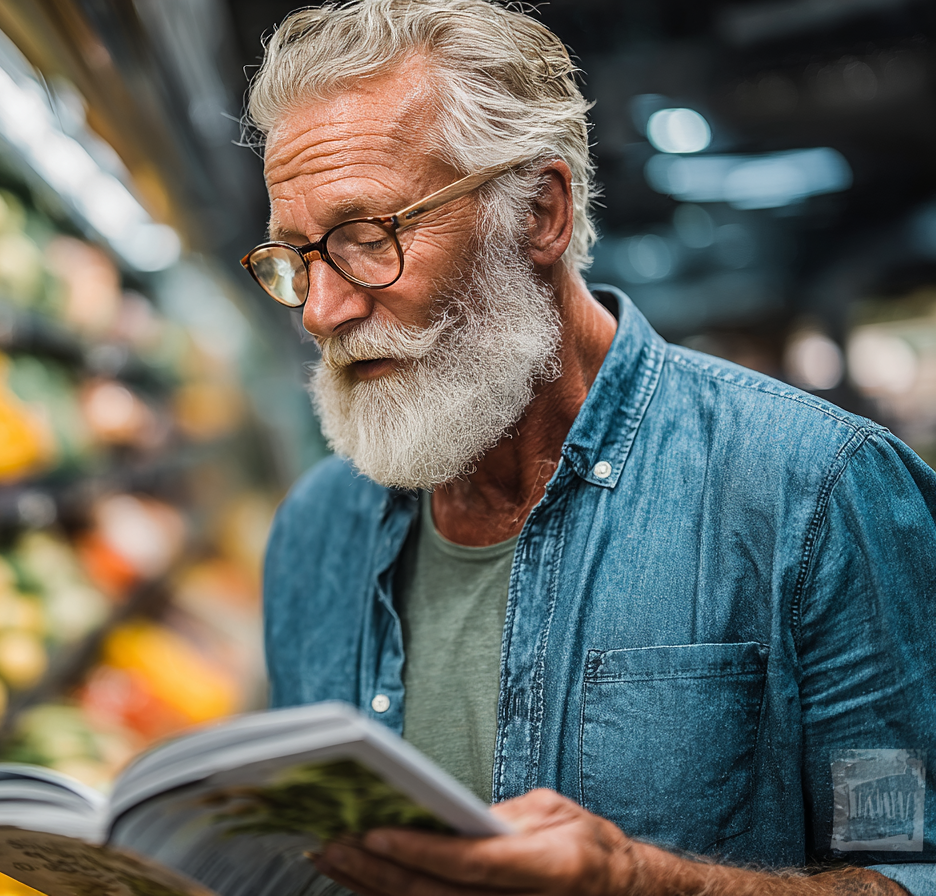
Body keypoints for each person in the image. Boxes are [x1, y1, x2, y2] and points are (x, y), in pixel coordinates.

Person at [241, 1, 936, 894]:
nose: (320, 311)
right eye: (295, 257)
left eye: (367, 238)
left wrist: (635, 882)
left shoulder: (815, 494)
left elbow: (911, 870)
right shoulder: (312, 535)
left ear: (539, 212)